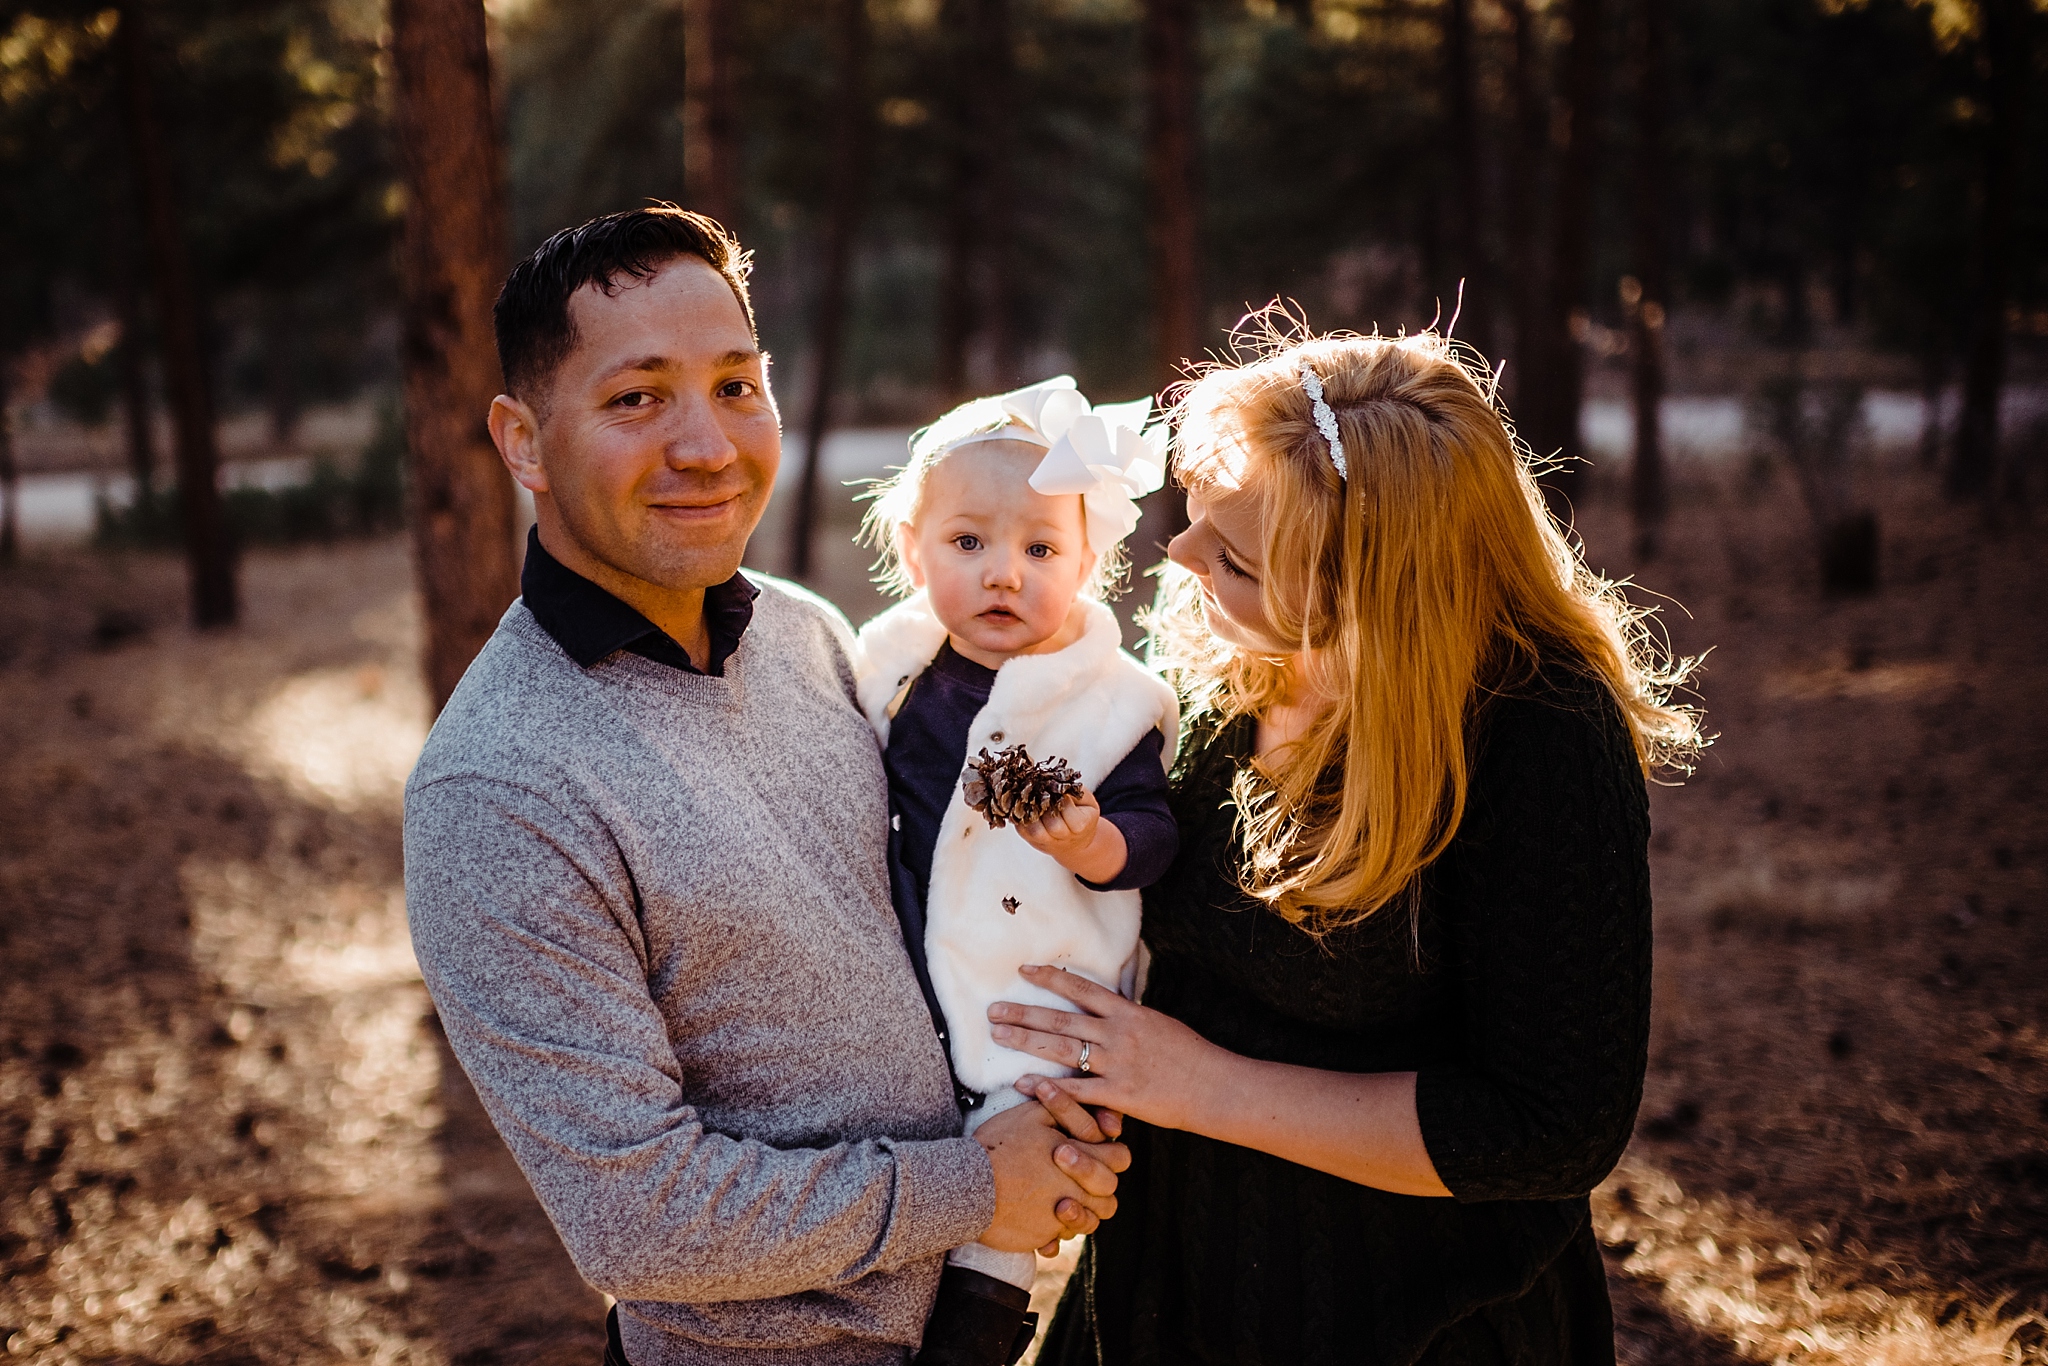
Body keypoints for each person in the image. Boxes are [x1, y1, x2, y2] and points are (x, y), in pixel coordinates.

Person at [402, 206, 1131, 1366]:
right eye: (637, 398)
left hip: (980, 1322)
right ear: (523, 441)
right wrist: (970, 1187)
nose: (706, 444)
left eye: (736, 386)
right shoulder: (500, 788)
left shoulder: (807, 633)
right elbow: (639, 1220)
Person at [988, 324, 1706, 1365]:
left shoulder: (1535, 733)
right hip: (1159, 1287)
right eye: (1194, 521)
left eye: (1231, 556)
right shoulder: (1211, 659)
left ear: (1366, 593)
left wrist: (1196, 1085)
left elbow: (1552, 1127)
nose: (1177, 558)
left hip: (1412, 1319)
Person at [851, 380, 1181, 1364]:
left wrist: (1090, 844)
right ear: (912, 550)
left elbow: (1152, 836)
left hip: (1041, 1010)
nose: (1004, 574)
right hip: (910, 1000)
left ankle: (977, 1337)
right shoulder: (889, 672)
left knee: (1005, 1212)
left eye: (1039, 549)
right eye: (968, 544)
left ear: (1088, 562)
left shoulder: (1113, 704)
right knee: (912, 1214)